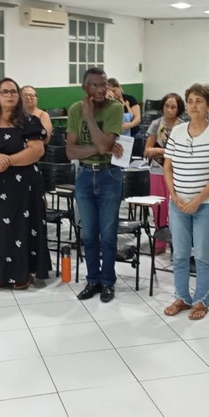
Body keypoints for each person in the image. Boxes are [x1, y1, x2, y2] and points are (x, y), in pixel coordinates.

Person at [0, 78, 51, 289]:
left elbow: (36, 151)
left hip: (23, 185)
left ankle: (22, 273)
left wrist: (8, 161)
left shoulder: (29, 120)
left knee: (20, 228)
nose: (10, 95)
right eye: (5, 91)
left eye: (13, 91)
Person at [162, 83, 209, 320]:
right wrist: (174, 196)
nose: (193, 106)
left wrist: (197, 200)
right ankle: (182, 296)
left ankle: (201, 300)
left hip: (207, 206)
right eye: (190, 101)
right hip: (178, 204)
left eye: (199, 101)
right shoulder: (177, 132)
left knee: (202, 255)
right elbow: (167, 167)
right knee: (180, 255)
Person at [67, 67, 124, 303]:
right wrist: (102, 147)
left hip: (109, 175)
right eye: (95, 85)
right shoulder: (74, 109)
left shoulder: (115, 108)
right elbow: (71, 151)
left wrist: (89, 116)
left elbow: (103, 146)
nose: (101, 89)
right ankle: (93, 280)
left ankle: (107, 281)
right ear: (85, 87)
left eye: (104, 84)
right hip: (84, 176)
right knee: (89, 235)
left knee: (108, 235)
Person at [143, 92, 185, 254]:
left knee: (174, 209)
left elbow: (181, 153)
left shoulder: (182, 126)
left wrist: (158, 151)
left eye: (173, 107)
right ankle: (160, 242)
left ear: (178, 109)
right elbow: (147, 151)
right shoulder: (156, 124)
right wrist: (165, 151)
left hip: (176, 173)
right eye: (167, 106)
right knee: (158, 207)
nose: (169, 110)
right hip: (156, 171)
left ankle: (176, 242)